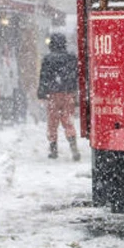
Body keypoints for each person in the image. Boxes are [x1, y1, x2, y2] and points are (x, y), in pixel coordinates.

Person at [37, 33, 81, 161]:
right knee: (68, 121)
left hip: (53, 94)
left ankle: (53, 149)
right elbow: (76, 76)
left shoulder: (48, 59)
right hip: (68, 93)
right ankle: (74, 148)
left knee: (52, 122)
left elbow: (44, 77)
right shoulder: (71, 58)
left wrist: (42, 91)